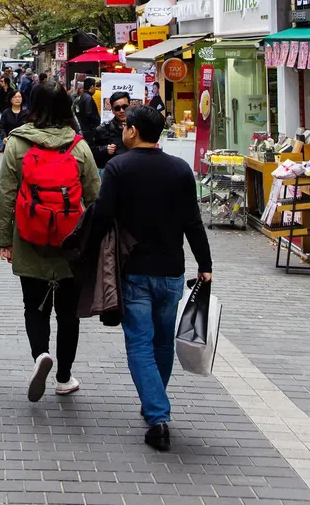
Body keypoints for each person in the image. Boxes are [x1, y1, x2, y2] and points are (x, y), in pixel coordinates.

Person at [92, 105, 212, 452]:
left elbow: (102, 215)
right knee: (161, 342)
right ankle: (153, 404)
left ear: (132, 130)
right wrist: (205, 264)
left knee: (140, 343)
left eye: (126, 125)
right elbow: (193, 221)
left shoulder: (118, 168)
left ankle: (158, 416)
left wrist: (87, 251)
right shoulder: (179, 170)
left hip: (134, 272)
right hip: (172, 270)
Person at [0, 83, 100, 401]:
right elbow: (96, 195)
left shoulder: (18, 143)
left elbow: (6, 195)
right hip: (71, 244)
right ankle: (64, 377)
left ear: (33, 105)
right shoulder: (78, 147)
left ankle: (41, 354)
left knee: (34, 307)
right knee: (68, 313)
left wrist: (4, 239)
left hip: (29, 239)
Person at [92, 91, 131, 169]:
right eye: (117, 108)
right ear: (112, 110)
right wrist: (104, 149)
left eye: (125, 107)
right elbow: (92, 152)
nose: (122, 111)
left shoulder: (138, 128)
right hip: (113, 172)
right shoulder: (103, 129)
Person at [76, 77, 101, 148]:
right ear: (92, 86)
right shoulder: (88, 98)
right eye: (94, 86)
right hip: (89, 130)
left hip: (84, 128)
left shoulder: (82, 96)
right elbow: (89, 113)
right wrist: (96, 123)